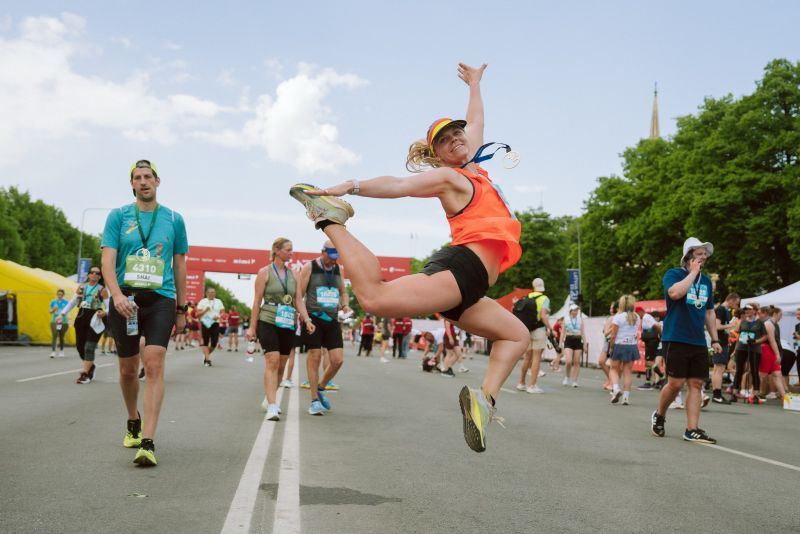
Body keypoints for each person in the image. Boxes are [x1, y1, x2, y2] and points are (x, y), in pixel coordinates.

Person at [289, 63, 528, 453]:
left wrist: (476, 84)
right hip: (461, 268)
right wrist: (351, 186)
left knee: (516, 334)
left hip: (471, 286)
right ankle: (331, 221)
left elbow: (477, 120)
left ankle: (483, 402)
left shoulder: (476, 169)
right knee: (374, 299)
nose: (455, 141)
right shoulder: (451, 178)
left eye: (457, 134)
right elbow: (398, 185)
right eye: (445, 142)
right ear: (438, 155)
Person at [101, 158, 188, 466]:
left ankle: (148, 441)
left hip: (160, 298)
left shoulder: (174, 219)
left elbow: (179, 265)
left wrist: (182, 307)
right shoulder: (118, 216)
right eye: (138, 177)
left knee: (154, 363)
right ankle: (132, 420)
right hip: (125, 300)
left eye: (148, 176)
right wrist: (116, 295)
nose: (143, 181)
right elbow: (107, 260)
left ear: (157, 181)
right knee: (127, 369)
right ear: (132, 184)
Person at [650, 237, 722, 444]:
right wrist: (692, 273)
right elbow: (674, 293)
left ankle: (692, 429)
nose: (704, 257)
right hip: (676, 336)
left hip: (697, 340)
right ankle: (660, 415)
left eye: (705, 254)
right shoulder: (674, 274)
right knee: (675, 383)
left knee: (697, 383)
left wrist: (715, 339)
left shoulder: (706, 281)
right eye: (699, 254)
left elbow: (709, 312)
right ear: (688, 256)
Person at [246, 238, 301, 421]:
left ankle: (268, 397)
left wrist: (306, 319)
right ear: (277, 251)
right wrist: (252, 327)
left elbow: (298, 300)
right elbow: (256, 301)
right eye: (288, 250)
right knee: (273, 360)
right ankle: (272, 405)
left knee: (282, 365)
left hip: (287, 322)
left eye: (292, 250)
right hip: (268, 319)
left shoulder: (294, 275)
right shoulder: (265, 272)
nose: (291, 253)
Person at [295, 241, 351, 415]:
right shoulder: (309, 267)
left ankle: (321, 386)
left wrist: (346, 304)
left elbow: (343, 291)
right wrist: (306, 319)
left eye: (336, 258)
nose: (334, 261)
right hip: (314, 319)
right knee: (315, 356)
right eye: (331, 257)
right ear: (323, 252)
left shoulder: (337, 269)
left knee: (337, 360)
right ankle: (313, 401)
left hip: (332, 319)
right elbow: (298, 297)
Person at [62, 267, 109, 384]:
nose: (94, 274)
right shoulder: (82, 287)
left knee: (89, 347)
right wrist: (62, 313)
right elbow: (73, 302)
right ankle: (91, 366)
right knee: (80, 347)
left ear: (99, 277)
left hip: (95, 319)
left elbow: (109, 308)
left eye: (97, 273)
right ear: (88, 275)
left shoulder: (102, 290)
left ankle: (85, 374)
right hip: (81, 317)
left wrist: (104, 312)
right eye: (92, 272)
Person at [516, 278, 550, 394]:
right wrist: (550, 328)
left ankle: (521, 383)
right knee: (536, 358)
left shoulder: (527, 297)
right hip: (539, 329)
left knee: (527, 357)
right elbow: (543, 315)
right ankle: (532, 385)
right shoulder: (544, 298)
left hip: (527, 329)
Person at [608, 295, 641, 405]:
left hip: (619, 345)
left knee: (613, 369)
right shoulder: (637, 317)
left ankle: (616, 389)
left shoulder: (618, 317)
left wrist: (611, 347)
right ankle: (626, 398)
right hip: (631, 345)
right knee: (627, 372)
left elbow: (613, 335)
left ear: (621, 304)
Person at [732, 303, 767, 403]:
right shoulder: (742, 322)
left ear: (755, 311)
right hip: (741, 348)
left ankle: (755, 394)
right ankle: (734, 393)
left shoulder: (760, 322)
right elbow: (738, 335)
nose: (747, 311)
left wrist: (755, 341)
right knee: (739, 370)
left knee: (754, 371)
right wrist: (735, 350)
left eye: (749, 309)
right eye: (745, 309)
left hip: (754, 349)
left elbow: (765, 336)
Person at [710, 293, 740, 403]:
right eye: (736, 303)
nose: (736, 305)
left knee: (718, 369)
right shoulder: (721, 310)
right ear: (731, 300)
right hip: (719, 342)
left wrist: (728, 331)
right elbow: (716, 326)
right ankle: (717, 395)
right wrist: (730, 326)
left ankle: (716, 394)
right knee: (719, 368)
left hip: (721, 341)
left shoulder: (725, 310)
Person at [759, 306, 787, 400]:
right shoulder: (769, 324)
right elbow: (772, 341)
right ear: (775, 314)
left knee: (777, 374)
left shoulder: (775, 324)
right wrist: (778, 354)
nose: (781, 317)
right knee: (763, 374)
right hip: (767, 350)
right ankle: (756, 393)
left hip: (772, 350)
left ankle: (785, 397)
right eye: (780, 315)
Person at [636, 307, 663, 390]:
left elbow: (657, 326)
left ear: (640, 312)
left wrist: (660, 336)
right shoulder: (645, 318)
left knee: (649, 362)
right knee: (647, 362)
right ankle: (648, 382)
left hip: (652, 342)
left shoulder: (646, 317)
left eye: (637, 313)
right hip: (650, 341)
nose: (637, 315)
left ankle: (662, 377)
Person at [197, 287, 225, 366]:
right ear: (207, 293)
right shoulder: (203, 301)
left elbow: (223, 312)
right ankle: (207, 360)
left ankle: (206, 355)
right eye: (210, 292)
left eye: (213, 292)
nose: (212, 294)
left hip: (215, 323)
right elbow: (197, 314)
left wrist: (219, 316)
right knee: (205, 341)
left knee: (214, 343)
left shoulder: (219, 301)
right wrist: (205, 310)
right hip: (206, 322)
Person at [560, 304, 585, 388]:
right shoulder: (566, 319)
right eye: (574, 310)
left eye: (577, 310)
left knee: (577, 361)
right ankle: (567, 377)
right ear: (570, 311)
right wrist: (560, 343)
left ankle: (575, 381)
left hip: (578, 339)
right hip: (569, 339)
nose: (575, 312)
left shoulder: (580, 319)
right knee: (568, 361)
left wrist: (584, 343)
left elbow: (583, 332)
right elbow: (563, 332)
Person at [598, 302, 618, 390]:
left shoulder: (618, 318)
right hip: (607, 341)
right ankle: (610, 380)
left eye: (612, 308)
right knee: (601, 361)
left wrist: (612, 327)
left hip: (614, 342)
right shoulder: (609, 318)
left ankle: (613, 383)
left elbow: (607, 332)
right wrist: (609, 328)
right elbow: (605, 332)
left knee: (614, 365)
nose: (610, 310)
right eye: (610, 308)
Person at [49, 289, 69, 358]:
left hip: (63, 321)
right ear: (57, 294)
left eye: (61, 294)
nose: (59, 296)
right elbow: (50, 311)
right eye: (58, 294)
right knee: (54, 335)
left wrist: (69, 320)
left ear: (63, 295)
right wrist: (53, 309)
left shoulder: (66, 302)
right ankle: (53, 351)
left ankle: (61, 350)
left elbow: (68, 311)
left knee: (61, 336)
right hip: (54, 321)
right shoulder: (53, 302)